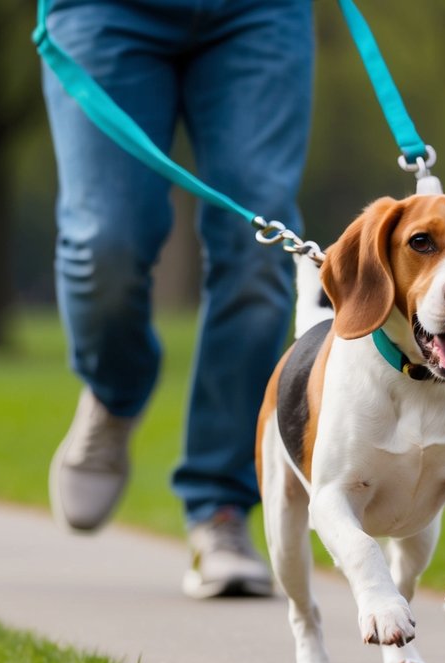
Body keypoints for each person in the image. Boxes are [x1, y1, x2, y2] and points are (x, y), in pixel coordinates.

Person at [40, 0, 314, 598]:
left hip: (258, 15)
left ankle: (220, 509)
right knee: (104, 244)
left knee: (257, 250)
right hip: (104, 12)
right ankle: (115, 392)